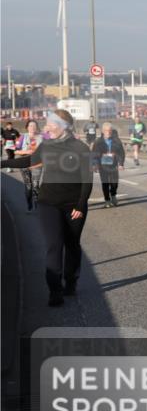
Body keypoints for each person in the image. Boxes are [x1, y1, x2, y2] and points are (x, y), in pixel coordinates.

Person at [1, 110, 93, 306]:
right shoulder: (47, 146)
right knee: (54, 245)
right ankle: (54, 290)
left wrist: (80, 204)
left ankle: (71, 281)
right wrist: (2, 163)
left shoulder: (80, 148)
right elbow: (28, 161)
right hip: (48, 202)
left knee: (72, 244)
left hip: (74, 205)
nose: (47, 127)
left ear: (64, 125)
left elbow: (87, 179)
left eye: (51, 123)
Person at [91, 122, 126, 207]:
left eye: (110, 131)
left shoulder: (116, 140)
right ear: (103, 131)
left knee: (114, 182)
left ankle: (113, 195)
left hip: (113, 164)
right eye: (106, 131)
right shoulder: (98, 142)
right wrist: (94, 164)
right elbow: (94, 154)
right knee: (105, 183)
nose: (108, 132)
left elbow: (121, 153)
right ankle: (107, 200)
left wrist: (121, 164)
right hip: (102, 165)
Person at [14, 119, 45, 209]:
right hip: (24, 162)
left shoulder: (42, 136)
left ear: (37, 127)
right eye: (30, 126)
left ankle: (37, 206)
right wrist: (26, 151)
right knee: (28, 187)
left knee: (36, 186)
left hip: (37, 164)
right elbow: (15, 151)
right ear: (27, 127)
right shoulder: (22, 137)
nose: (32, 127)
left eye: (34, 126)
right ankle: (29, 203)